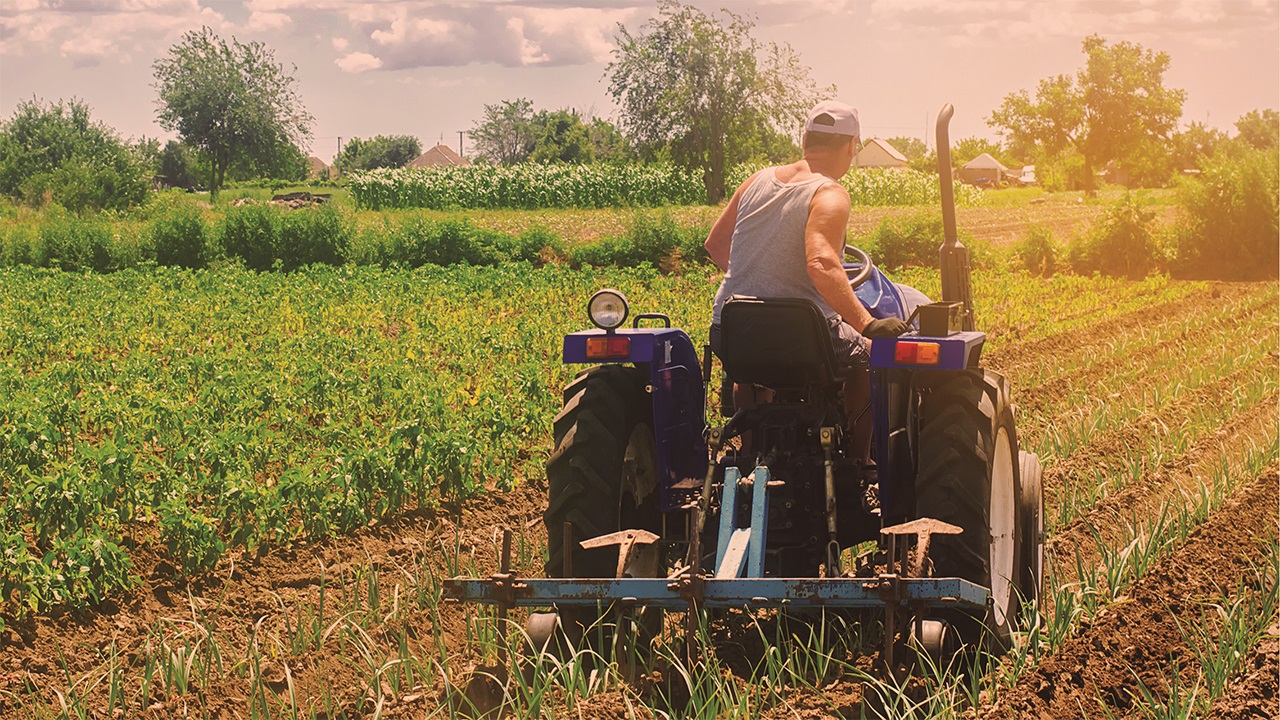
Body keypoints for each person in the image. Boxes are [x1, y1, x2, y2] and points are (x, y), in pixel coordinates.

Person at [704, 100, 907, 459]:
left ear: (804, 140)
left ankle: (751, 453)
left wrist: (761, 278)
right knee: (872, 358)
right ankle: (861, 463)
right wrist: (867, 323)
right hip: (804, 336)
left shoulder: (757, 180)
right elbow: (822, 263)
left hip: (730, 329)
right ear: (850, 146)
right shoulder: (829, 192)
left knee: (749, 372)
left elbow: (716, 244)